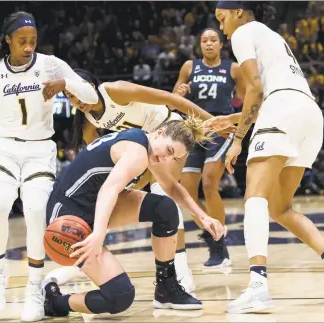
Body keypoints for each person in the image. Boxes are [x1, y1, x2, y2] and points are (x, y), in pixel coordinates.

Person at [210, 1, 324, 314]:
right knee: (280, 207)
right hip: (308, 115)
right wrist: (230, 120)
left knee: (254, 198)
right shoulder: (272, 36)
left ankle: (258, 286)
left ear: (239, 12)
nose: (221, 27)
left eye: (222, 18)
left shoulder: (243, 33)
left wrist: (237, 140)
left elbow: (255, 92)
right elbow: (270, 93)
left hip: (280, 110)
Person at [0, 11, 98, 322]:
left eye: (33, 41)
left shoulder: (50, 64)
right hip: (2, 146)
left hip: (40, 149)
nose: (28, 47)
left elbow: (91, 94)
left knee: (36, 211)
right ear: (8, 39)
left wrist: (66, 82)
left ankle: (34, 288)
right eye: (22, 41)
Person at [44, 69, 231, 293]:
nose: (77, 101)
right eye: (71, 97)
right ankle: (86, 254)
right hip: (141, 145)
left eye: (78, 94)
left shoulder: (115, 90)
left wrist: (212, 121)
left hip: (166, 134)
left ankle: (178, 274)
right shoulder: (89, 119)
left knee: (162, 193)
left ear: (91, 87)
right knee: (113, 198)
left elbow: (169, 98)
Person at [42, 120, 226, 317]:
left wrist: (204, 217)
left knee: (165, 208)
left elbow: (171, 186)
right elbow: (109, 189)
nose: (166, 158)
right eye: (169, 150)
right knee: (119, 296)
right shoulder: (137, 153)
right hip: (67, 217)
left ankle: (166, 288)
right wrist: (98, 235)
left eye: (173, 157)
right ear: (160, 132)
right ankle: (55, 302)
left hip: (91, 204)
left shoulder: (145, 145)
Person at [173, 27, 245, 268]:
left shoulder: (233, 68)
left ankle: (219, 244)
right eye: (205, 40)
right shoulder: (189, 67)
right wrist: (180, 92)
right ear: (199, 45)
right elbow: (174, 97)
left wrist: (238, 131)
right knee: (187, 193)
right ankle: (210, 228)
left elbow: (248, 101)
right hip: (193, 130)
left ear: (221, 44)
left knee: (209, 183)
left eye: (213, 40)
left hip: (219, 128)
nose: (209, 44)